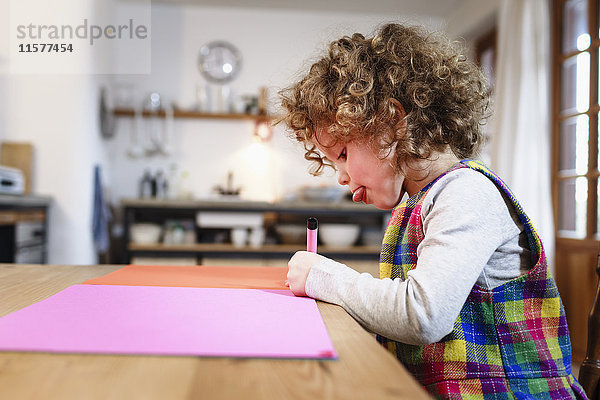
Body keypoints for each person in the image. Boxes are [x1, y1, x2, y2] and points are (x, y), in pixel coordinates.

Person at [280, 23, 586, 399]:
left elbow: (423, 315)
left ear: (391, 123)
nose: (341, 177)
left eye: (342, 154)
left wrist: (324, 277)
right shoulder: (418, 203)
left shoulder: (467, 193)